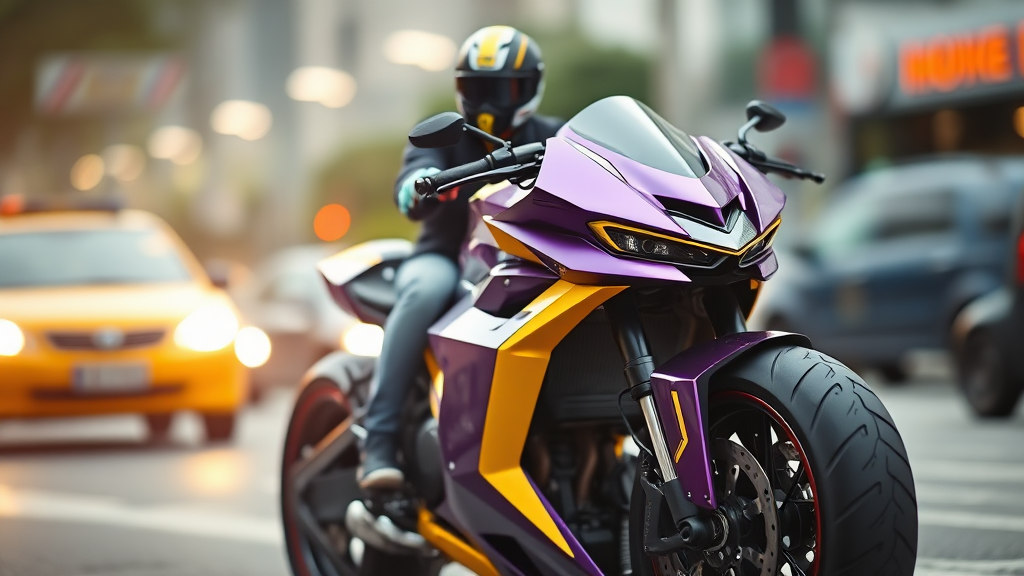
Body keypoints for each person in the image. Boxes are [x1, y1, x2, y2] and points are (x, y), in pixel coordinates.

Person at [358, 25, 564, 490]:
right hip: (444, 258)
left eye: (504, 89)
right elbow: (410, 187)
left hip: (527, 262)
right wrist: (425, 183)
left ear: (531, 87)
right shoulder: (447, 136)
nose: (490, 103)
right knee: (427, 289)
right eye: (478, 88)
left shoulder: (554, 135)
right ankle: (379, 442)